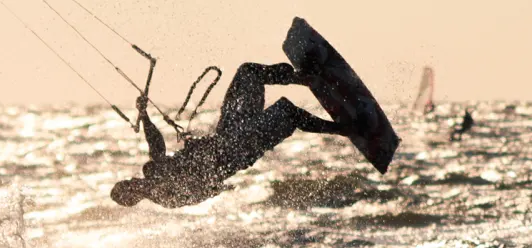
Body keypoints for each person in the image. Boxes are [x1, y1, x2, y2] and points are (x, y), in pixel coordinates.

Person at [110, 62, 363, 209]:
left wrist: (144, 115)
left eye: (127, 181)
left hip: (227, 134)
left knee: (248, 73)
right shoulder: (165, 197)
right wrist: (212, 184)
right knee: (287, 112)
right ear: (134, 198)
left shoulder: (153, 172)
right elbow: (202, 191)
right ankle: (347, 129)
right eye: (130, 187)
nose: (133, 181)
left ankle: (308, 79)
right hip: (234, 152)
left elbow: (156, 146)